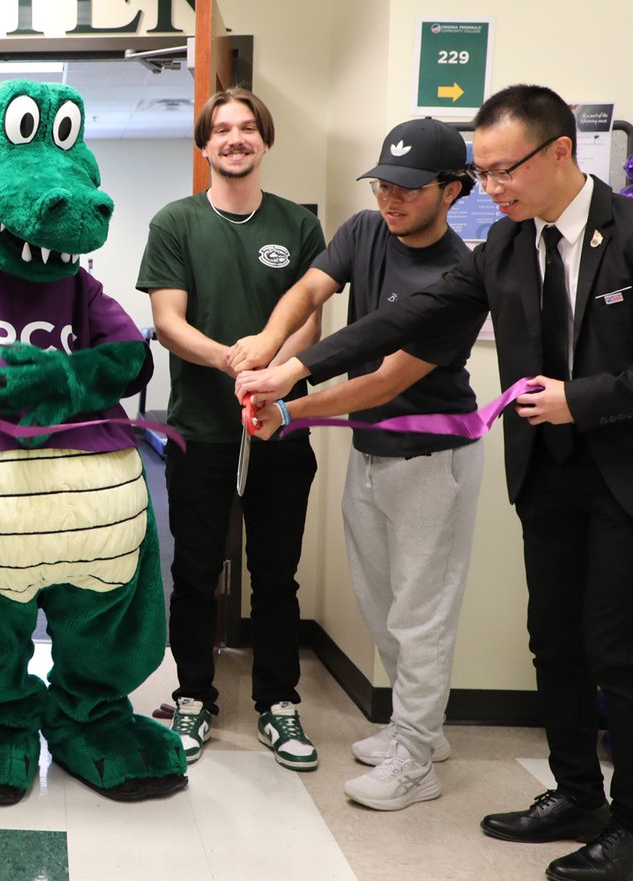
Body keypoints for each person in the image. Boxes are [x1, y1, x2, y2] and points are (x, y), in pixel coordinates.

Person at [238, 84, 633, 881]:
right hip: (546, 471)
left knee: (616, 653)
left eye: (501, 171)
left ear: (561, 151)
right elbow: (391, 325)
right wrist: (292, 368)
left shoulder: (626, 233)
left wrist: (580, 399)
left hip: (619, 473)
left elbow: (396, 372)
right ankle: (577, 792)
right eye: (483, 173)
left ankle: (628, 827)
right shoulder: (505, 251)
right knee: (552, 639)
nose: (492, 189)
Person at [229, 118, 484, 811]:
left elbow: (382, 381)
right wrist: (267, 346)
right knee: (381, 604)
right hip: (373, 454)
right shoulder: (367, 231)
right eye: (382, 184)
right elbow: (310, 292)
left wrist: (289, 405)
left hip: (433, 459)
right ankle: (417, 731)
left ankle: (416, 759)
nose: (390, 198)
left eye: (407, 187)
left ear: (453, 189)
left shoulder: (461, 276)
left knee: (421, 615)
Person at [135, 87, 325, 769]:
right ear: (206, 144)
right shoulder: (176, 223)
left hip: (280, 427)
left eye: (248, 128)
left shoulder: (299, 226)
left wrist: (271, 367)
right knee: (194, 572)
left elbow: (311, 320)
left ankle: (279, 703)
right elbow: (167, 321)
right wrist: (230, 358)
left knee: (277, 575)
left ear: (264, 141)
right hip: (200, 431)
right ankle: (193, 696)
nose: (236, 139)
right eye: (223, 130)